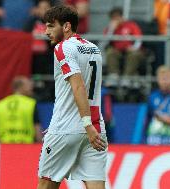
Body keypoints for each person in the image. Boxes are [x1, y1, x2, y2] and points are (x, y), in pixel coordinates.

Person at [37, 5, 107, 189]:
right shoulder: (94, 49)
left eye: (51, 26)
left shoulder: (62, 48)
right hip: (97, 128)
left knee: (45, 184)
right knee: (96, 185)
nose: (46, 32)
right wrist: (90, 126)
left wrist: (85, 124)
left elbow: (78, 86)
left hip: (68, 128)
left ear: (66, 26)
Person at [0, 76, 43, 144]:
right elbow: (37, 128)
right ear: (20, 87)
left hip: (5, 146)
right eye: (28, 85)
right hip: (25, 146)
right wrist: (41, 145)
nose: (31, 88)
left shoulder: (0, 104)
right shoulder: (31, 103)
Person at [104, 8, 144, 87]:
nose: (116, 19)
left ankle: (127, 77)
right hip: (117, 50)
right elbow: (105, 42)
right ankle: (113, 76)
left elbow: (139, 39)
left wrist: (134, 47)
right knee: (110, 53)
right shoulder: (110, 28)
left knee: (134, 55)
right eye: (113, 18)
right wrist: (112, 29)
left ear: (122, 16)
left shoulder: (131, 25)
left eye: (117, 17)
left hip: (130, 49)